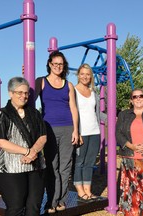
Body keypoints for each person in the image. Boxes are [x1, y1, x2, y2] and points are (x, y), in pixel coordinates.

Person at [0, 77, 47, 215]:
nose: (24, 96)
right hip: (9, 169)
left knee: (34, 206)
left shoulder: (34, 113)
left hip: (35, 166)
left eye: (26, 93)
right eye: (19, 92)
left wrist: (33, 152)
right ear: (10, 93)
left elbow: (43, 136)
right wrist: (26, 151)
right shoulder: (2, 114)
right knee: (16, 207)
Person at [35, 50, 79, 213]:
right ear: (49, 64)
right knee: (52, 166)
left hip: (68, 128)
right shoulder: (42, 81)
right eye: (55, 64)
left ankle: (62, 200)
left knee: (65, 167)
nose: (58, 67)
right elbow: (29, 98)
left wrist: (76, 130)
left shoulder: (68, 85)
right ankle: (51, 202)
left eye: (61, 64)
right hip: (49, 129)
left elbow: (73, 108)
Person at [73, 63, 107, 202]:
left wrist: (114, 119)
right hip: (81, 132)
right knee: (79, 162)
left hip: (94, 132)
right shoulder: (73, 91)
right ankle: (80, 192)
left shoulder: (94, 92)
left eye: (88, 74)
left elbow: (98, 113)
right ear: (78, 75)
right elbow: (71, 113)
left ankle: (88, 190)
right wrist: (76, 132)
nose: (85, 76)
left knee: (90, 162)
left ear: (91, 76)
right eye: (82, 74)